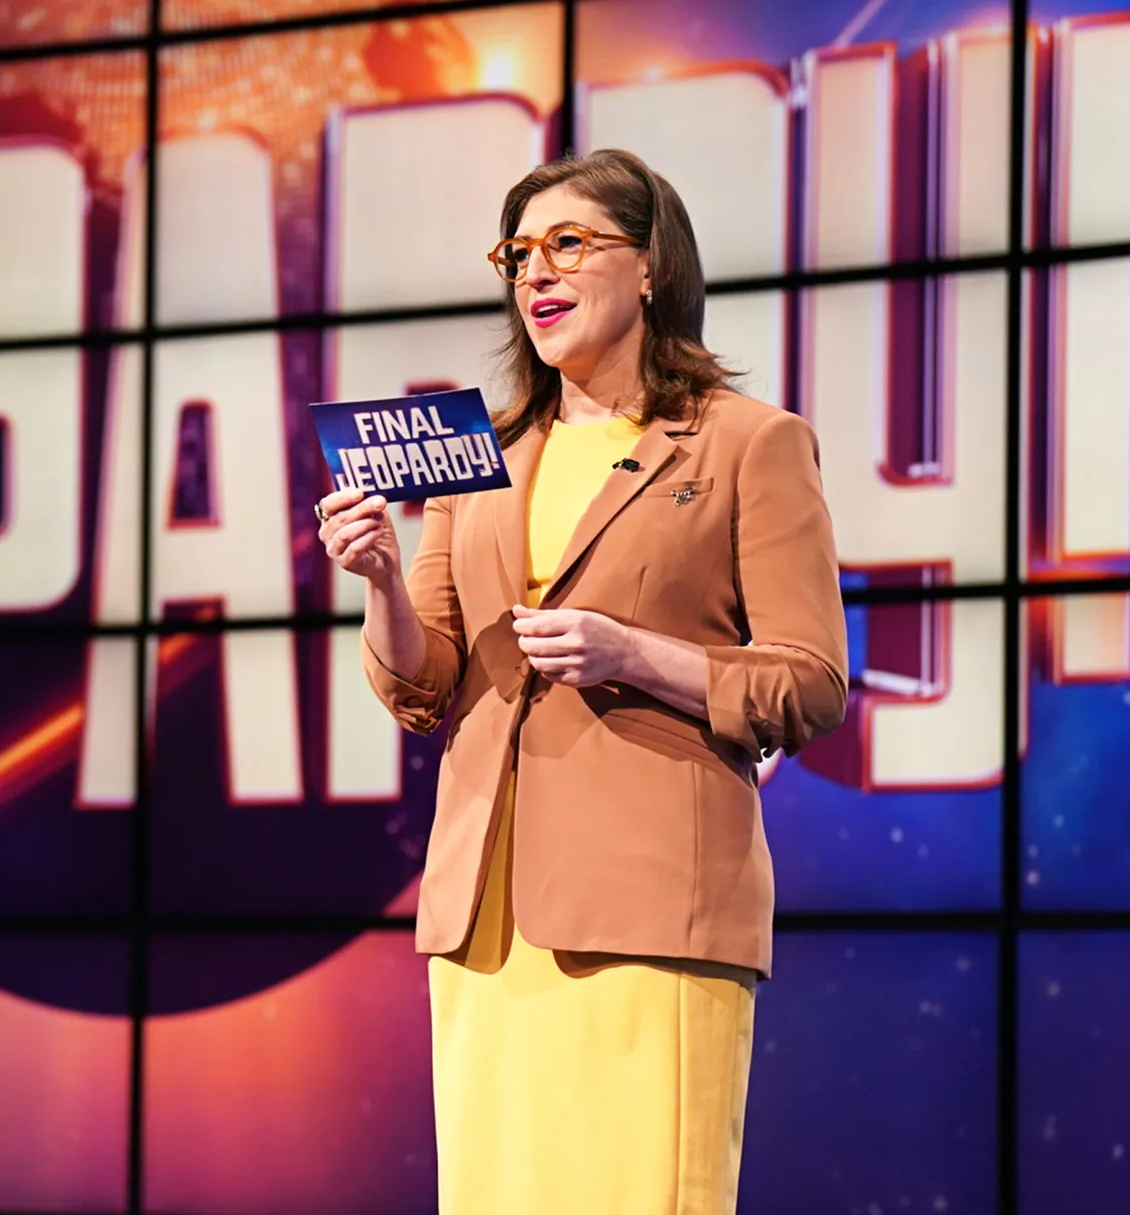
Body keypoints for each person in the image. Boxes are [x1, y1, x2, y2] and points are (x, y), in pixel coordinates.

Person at [315, 148, 849, 1213]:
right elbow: (424, 684)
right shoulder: (482, 458)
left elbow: (809, 684)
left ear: (649, 266)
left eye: (568, 243)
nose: (534, 273)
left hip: (650, 910)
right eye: (516, 254)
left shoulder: (749, 444)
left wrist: (631, 654)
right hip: (486, 917)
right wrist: (376, 580)